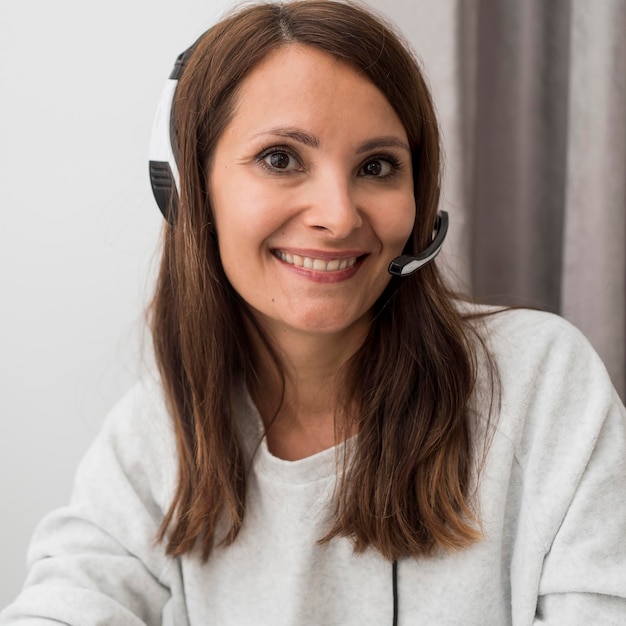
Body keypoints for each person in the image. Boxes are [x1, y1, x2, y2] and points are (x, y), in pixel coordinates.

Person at [2, 1, 625, 624]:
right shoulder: (156, 434)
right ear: (188, 190)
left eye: (376, 167)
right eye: (280, 158)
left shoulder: (541, 382)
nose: (340, 215)